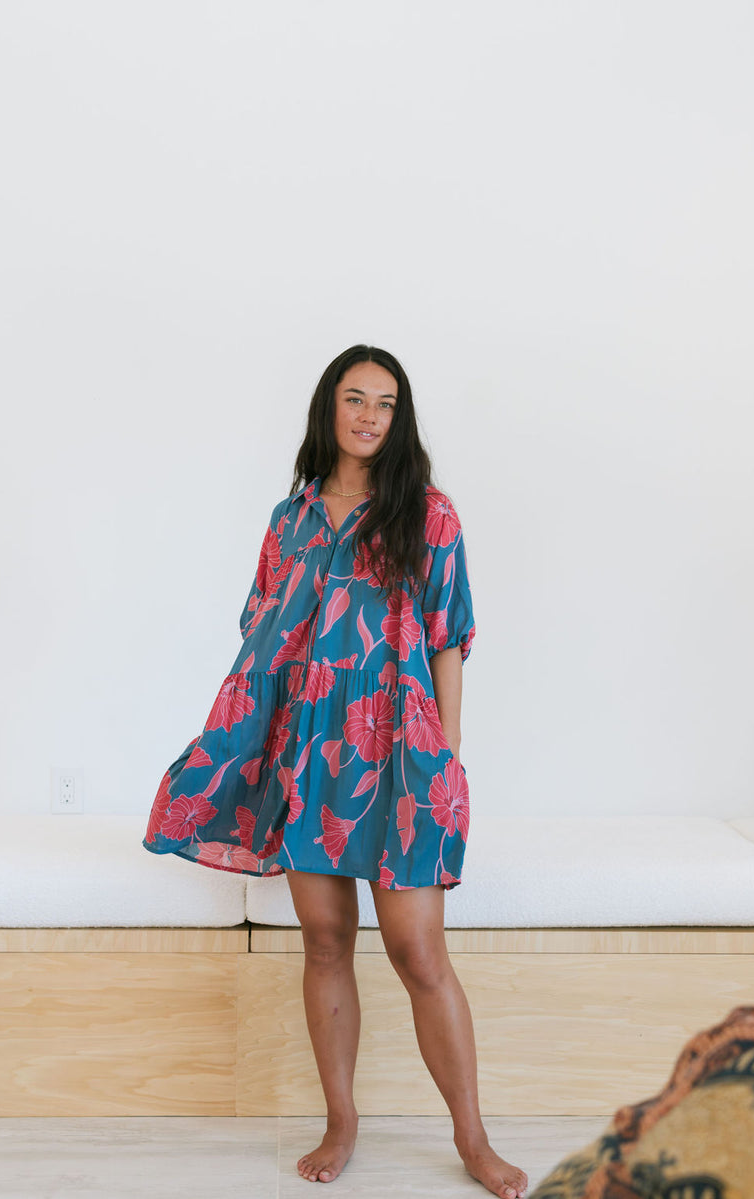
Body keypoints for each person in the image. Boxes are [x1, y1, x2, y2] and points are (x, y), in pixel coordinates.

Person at [143, 344, 528, 1198]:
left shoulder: (429, 514)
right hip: (313, 752)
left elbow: (447, 638)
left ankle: (472, 1136)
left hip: (401, 748)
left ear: (401, 418)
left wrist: (448, 759)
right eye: (354, 399)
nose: (368, 415)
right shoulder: (291, 520)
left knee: (418, 948)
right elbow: (262, 643)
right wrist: (240, 749)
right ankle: (341, 1119)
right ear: (328, 409)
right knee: (324, 940)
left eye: (385, 403)